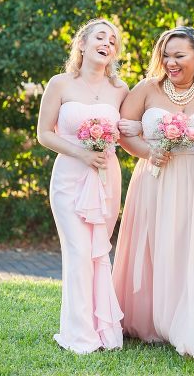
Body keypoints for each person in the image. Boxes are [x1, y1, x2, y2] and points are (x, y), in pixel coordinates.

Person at [111, 26, 194, 362]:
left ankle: (192, 320)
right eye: (166, 55)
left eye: (179, 55)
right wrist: (148, 152)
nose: (171, 62)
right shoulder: (147, 89)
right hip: (156, 178)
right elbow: (124, 131)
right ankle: (153, 318)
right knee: (158, 244)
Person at [36, 18, 128, 352]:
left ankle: (104, 331)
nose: (107, 43)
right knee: (77, 252)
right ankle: (80, 336)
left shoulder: (121, 89)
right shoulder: (60, 84)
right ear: (83, 43)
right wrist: (80, 152)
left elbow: (130, 131)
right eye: (101, 37)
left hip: (107, 178)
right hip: (70, 178)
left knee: (98, 252)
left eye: (113, 40)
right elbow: (44, 133)